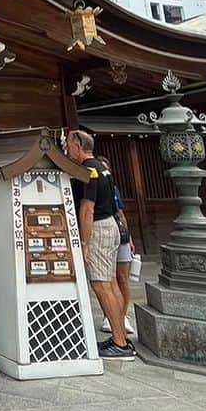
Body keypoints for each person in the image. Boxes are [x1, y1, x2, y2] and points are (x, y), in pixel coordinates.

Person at [65, 130, 135, 360]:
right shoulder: (103, 168)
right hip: (111, 224)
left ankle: (120, 343)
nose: (67, 149)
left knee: (102, 285)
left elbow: (87, 208)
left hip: (98, 227)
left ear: (77, 146)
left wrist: (84, 242)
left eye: (68, 145)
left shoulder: (89, 171)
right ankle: (121, 337)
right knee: (111, 283)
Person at [98, 157, 137, 337]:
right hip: (102, 234)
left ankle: (122, 316)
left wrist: (129, 238)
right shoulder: (91, 186)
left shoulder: (112, 188)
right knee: (106, 278)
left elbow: (120, 213)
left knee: (122, 277)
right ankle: (111, 316)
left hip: (119, 234)